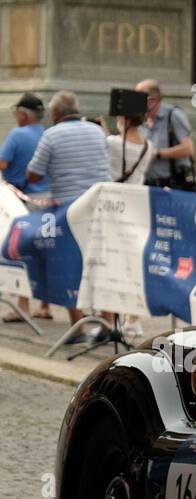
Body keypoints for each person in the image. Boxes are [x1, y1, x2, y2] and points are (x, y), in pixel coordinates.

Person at [26, 91, 111, 339]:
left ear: (55, 114)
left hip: (68, 211)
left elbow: (34, 174)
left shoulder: (51, 135)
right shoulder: (97, 131)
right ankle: (106, 323)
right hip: (98, 206)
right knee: (99, 264)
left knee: (68, 267)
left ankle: (77, 325)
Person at [0, 92, 52, 321]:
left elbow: (3, 163)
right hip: (49, 201)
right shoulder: (47, 133)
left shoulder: (17, 134)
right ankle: (46, 306)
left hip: (23, 200)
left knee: (20, 251)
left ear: (22, 114)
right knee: (45, 252)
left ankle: (22, 306)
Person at [136, 80, 196, 189]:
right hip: (148, 184)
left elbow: (188, 148)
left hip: (172, 185)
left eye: (138, 98)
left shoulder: (173, 115)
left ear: (153, 101)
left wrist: (157, 154)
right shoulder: (142, 120)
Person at [103, 110, 155, 185]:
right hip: (137, 192)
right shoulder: (149, 145)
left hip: (115, 192)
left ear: (124, 119)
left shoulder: (111, 142)